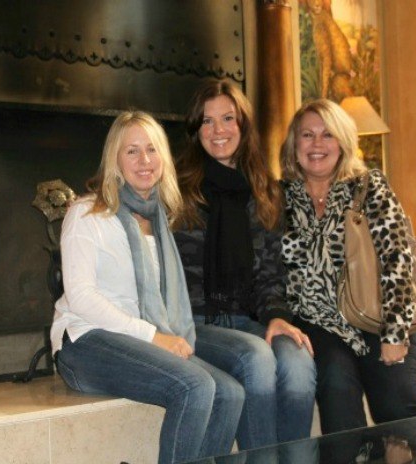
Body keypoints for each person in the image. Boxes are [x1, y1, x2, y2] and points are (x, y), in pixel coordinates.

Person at [51, 110, 271, 464]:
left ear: (164, 159)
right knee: (196, 386)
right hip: (86, 343)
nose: (144, 160)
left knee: (230, 392)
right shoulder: (87, 213)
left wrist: (158, 336)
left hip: (137, 341)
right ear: (115, 159)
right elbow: (80, 297)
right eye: (132, 151)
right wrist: (153, 336)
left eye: (152, 150)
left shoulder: (160, 222)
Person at [174, 78, 317, 448]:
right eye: (207, 121)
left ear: (243, 125)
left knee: (299, 365)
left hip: (252, 320)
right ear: (196, 130)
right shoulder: (176, 190)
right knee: (257, 358)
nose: (218, 130)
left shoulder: (265, 191)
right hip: (196, 323)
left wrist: (277, 316)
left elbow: (271, 271)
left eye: (227, 119)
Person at [278, 98, 416, 435]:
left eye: (328, 135)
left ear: (343, 142)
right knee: (337, 401)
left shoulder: (369, 186)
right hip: (320, 325)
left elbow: (397, 258)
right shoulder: (279, 197)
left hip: (379, 313)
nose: (317, 144)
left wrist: (395, 332)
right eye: (307, 135)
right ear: (294, 144)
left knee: (396, 408)